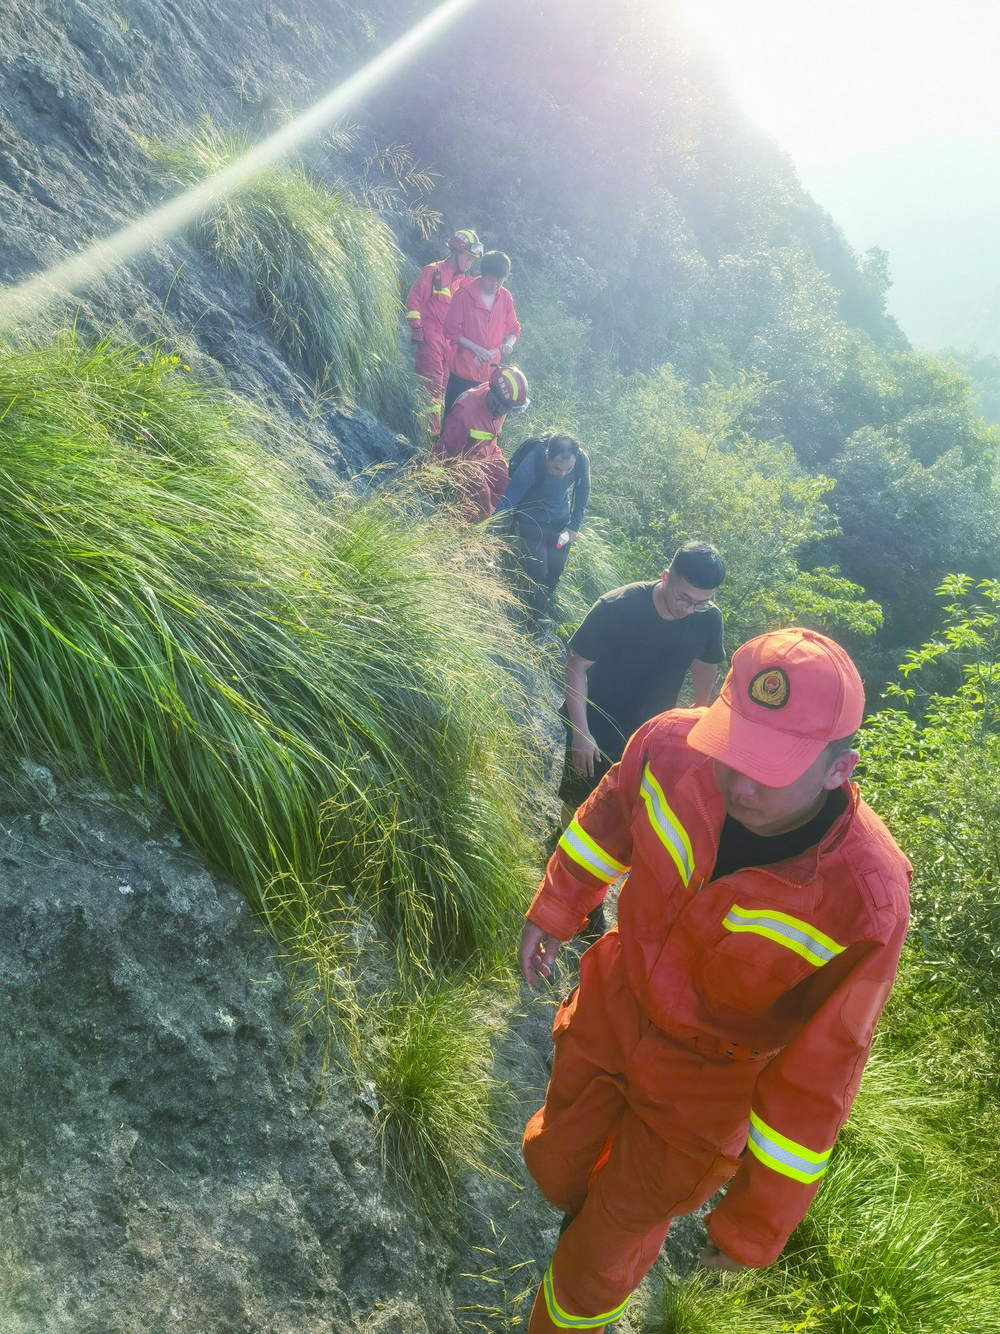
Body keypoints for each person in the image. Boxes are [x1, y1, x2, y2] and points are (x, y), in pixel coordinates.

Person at [519, 628, 912, 1334]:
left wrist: (753, 1228)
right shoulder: (671, 746)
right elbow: (608, 817)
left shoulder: (867, 898)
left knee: (603, 1251)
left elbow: (820, 1078)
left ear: (838, 769)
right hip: (612, 1006)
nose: (741, 781)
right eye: (735, 747)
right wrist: (557, 903)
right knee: (555, 1166)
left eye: (771, 765)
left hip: (703, 1094)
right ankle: (579, 1218)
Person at [559, 541, 726, 812]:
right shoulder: (617, 607)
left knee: (627, 805)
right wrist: (581, 733)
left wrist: (699, 710)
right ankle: (563, 846)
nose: (688, 609)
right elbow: (576, 667)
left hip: (651, 731)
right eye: (683, 597)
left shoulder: (708, 619)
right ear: (665, 577)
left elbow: (705, 665)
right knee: (578, 801)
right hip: (596, 723)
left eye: (700, 602)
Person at [492, 434, 591, 615]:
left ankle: (544, 604)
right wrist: (491, 530)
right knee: (538, 571)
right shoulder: (532, 464)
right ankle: (536, 617)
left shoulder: (581, 460)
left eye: (568, 469)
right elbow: (510, 498)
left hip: (561, 522)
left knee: (556, 569)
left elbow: (583, 490)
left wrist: (574, 525)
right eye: (556, 468)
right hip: (531, 522)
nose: (562, 474)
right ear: (547, 456)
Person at [405, 228, 483, 435]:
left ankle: (433, 429)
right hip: (431, 336)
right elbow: (413, 303)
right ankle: (429, 432)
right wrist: (418, 329)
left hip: (449, 342)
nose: (470, 262)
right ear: (457, 251)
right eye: (468, 257)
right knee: (433, 383)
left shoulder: (462, 282)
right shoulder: (433, 272)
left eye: (473, 260)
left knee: (443, 387)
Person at [430, 365, 530, 523]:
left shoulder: (498, 400)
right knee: (481, 500)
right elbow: (444, 450)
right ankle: (474, 536)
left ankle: (497, 524)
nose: (506, 412)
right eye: (506, 407)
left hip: (489, 450)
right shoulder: (464, 414)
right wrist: (431, 483)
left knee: (507, 488)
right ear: (495, 398)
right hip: (465, 461)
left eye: (510, 408)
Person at [442, 250, 521, 418]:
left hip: (489, 377)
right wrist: (475, 348)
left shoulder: (505, 297)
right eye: (492, 280)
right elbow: (450, 329)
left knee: (479, 421)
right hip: (463, 372)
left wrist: (509, 344)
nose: (495, 285)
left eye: (500, 281)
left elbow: (514, 329)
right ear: (483, 275)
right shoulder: (464, 294)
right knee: (455, 417)